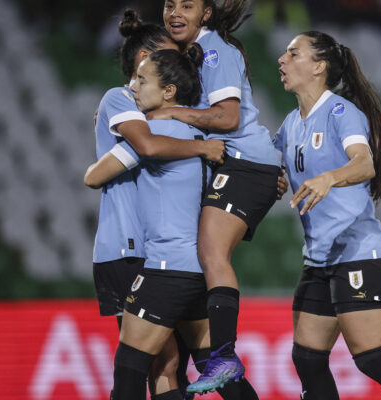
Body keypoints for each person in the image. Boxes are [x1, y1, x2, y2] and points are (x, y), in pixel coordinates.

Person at [87, 48, 259, 400]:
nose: (134, 87)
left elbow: (94, 176)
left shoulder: (150, 134)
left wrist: (113, 131)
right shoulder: (206, 140)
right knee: (217, 368)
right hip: (199, 268)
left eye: (143, 80)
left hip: (165, 267)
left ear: (169, 92)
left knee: (129, 369)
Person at [274, 31, 381, 400]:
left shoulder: (341, 112)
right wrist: (274, 179)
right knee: (307, 358)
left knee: (371, 358)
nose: (282, 60)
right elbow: (270, 165)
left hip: (357, 254)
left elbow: (364, 164)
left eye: (293, 54)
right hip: (319, 258)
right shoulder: (290, 123)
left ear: (319, 66)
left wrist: (329, 178)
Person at [148, 1, 283, 391]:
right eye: (170, 4)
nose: (175, 11)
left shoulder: (214, 51)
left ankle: (223, 356)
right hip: (238, 166)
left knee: (211, 253)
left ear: (205, 14)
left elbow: (228, 118)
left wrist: (171, 114)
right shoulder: (193, 53)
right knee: (203, 257)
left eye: (187, 5)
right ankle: (213, 357)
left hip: (243, 164)